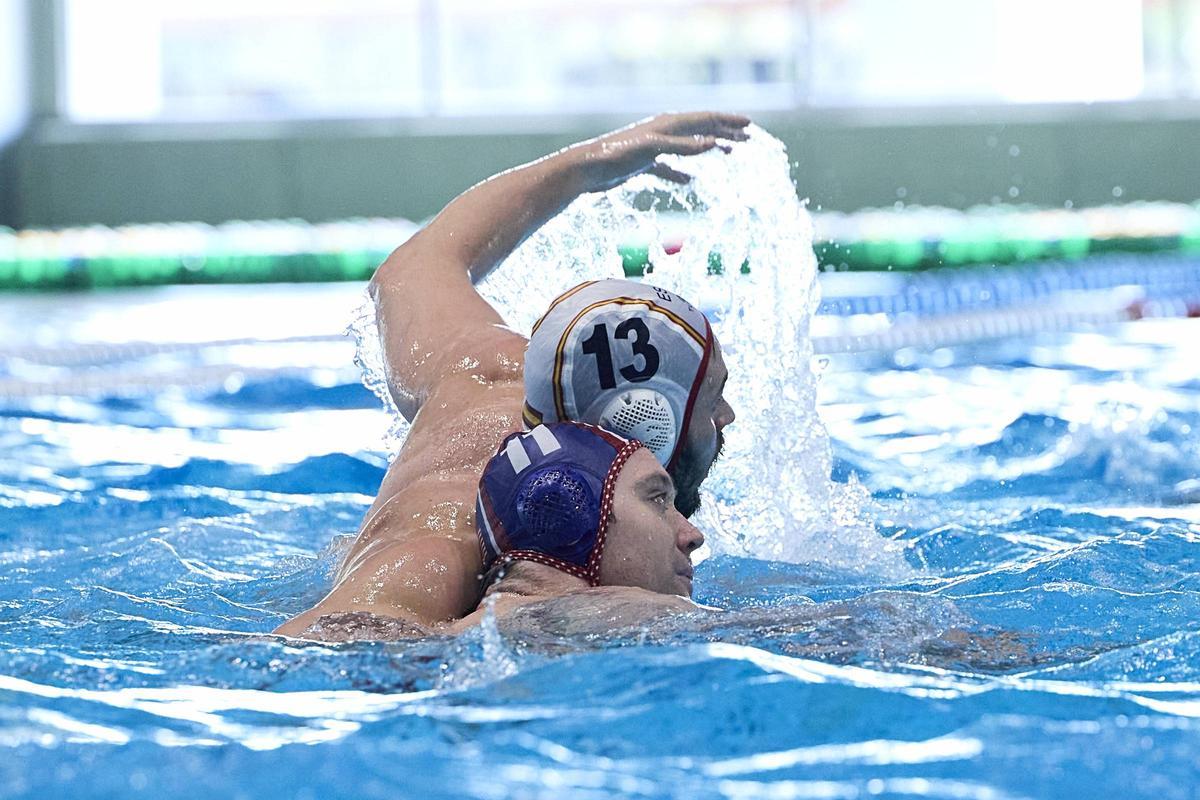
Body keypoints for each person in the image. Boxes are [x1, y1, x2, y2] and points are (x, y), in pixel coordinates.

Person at [275, 113, 749, 637]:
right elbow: (317, 646)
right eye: (711, 400)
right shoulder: (447, 540)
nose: (727, 416)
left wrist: (585, 166)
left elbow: (416, 267)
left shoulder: (491, 367)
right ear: (646, 421)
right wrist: (526, 622)